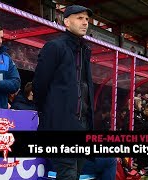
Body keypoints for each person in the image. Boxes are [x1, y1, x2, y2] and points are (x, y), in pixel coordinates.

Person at [33, 5, 94, 179]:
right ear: (66, 22)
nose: (84, 22)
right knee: (68, 173)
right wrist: (50, 113)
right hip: (61, 124)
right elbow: (40, 84)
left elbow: (85, 86)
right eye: (79, 18)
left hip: (83, 124)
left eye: (86, 19)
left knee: (75, 173)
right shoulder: (54, 47)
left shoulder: (85, 50)